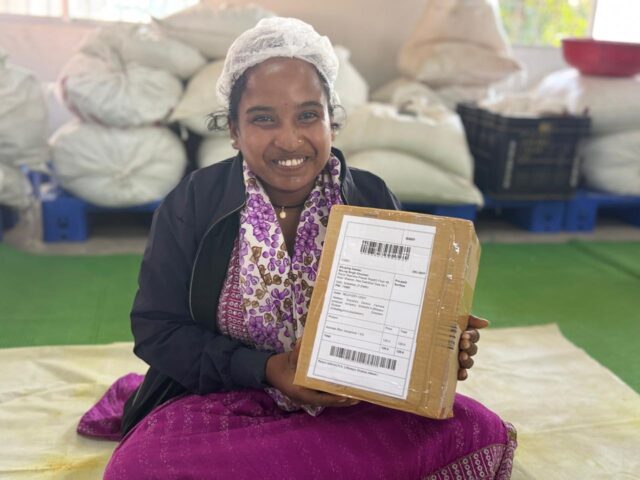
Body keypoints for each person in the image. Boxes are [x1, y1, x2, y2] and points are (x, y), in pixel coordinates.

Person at [82, 17, 516, 479]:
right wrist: (266, 368)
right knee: (140, 469)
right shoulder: (193, 203)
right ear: (234, 130)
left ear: (332, 121)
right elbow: (157, 329)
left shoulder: (370, 197)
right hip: (224, 405)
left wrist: (437, 343)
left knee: (479, 429)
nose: (289, 140)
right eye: (263, 118)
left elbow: (398, 318)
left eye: (308, 115)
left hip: (350, 405)